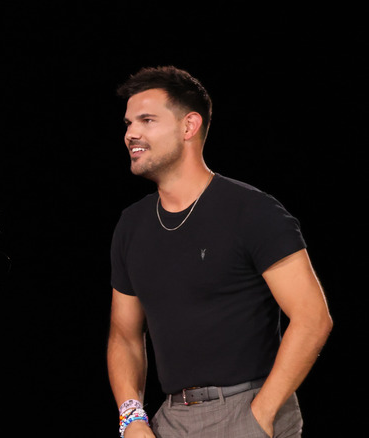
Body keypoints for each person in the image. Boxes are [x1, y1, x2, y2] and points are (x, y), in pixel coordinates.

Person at [106, 66, 333, 438]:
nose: (131, 133)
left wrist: (260, 415)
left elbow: (313, 318)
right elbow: (124, 335)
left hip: (248, 411)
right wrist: (132, 418)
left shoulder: (253, 211)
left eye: (147, 120)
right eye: (129, 122)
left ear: (189, 126)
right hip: (169, 419)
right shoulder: (132, 225)